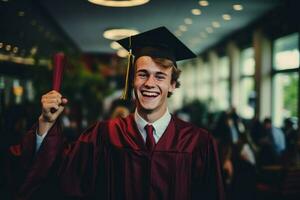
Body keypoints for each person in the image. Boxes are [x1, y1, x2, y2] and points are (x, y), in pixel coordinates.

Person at [5, 27, 225, 200]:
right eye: (142, 74)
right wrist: (46, 122)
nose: (150, 83)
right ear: (132, 80)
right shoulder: (103, 135)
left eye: (160, 76)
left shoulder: (198, 143)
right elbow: (58, 174)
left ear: (173, 85)